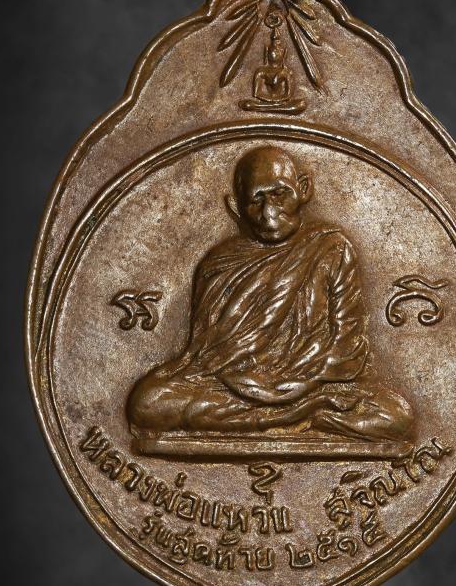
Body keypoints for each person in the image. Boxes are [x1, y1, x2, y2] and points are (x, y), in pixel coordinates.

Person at [127, 146, 414, 442]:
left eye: (279, 195)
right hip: (233, 386)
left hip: (314, 383)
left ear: (303, 190)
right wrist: (246, 380)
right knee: (148, 403)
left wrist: (303, 382)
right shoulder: (219, 263)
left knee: (397, 416)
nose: (268, 213)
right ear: (236, 207)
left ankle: (289, 414)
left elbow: (348, 345)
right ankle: (297, 417)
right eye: (256, 201)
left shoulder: (332, 248)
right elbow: (204, 354)